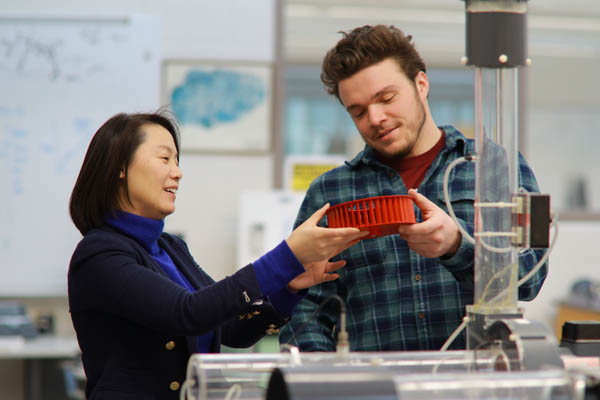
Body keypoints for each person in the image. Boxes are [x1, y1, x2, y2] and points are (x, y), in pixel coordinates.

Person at [278, 25, 548, 352]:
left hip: (476, 385)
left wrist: (455, 245)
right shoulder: (330, 192)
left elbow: (529, 280)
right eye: (358, 111)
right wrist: (324, 378)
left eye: (386, 98)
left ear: (421, 84)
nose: (375, 118)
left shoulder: (495, 166)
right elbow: (305, 312)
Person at [68, 111, 367, 400]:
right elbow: (187, 313)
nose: (178, 171)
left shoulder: (170, 247)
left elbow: (232, 329)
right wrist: (286, 256)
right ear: (120, 166)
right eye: (164, 158)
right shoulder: (98, 254)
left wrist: (291, 284)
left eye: (176, 160)